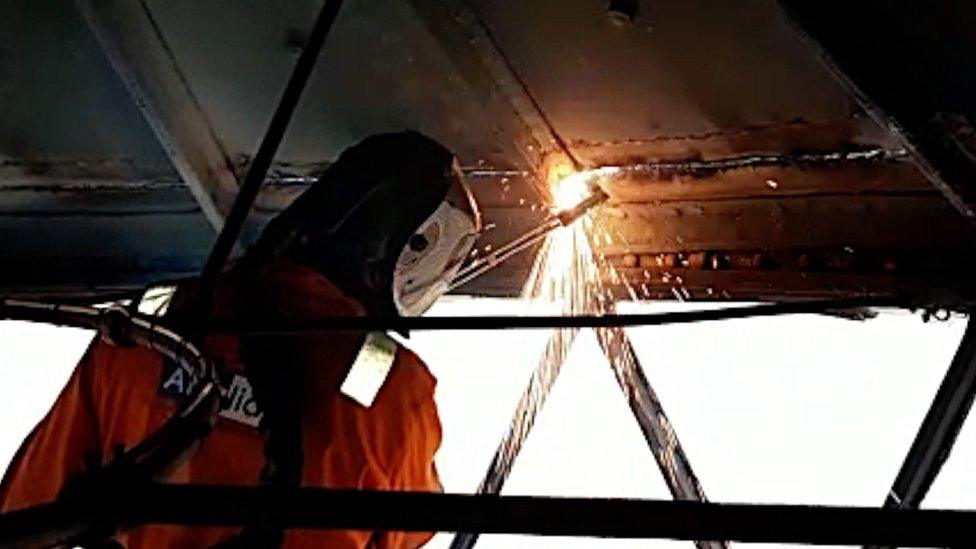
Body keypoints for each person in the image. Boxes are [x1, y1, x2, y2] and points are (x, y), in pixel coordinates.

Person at [0, 131, 483, 548]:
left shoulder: (151, 329)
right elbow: (408, 529)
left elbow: (28, 505)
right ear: (411, 251)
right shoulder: (395, 387)